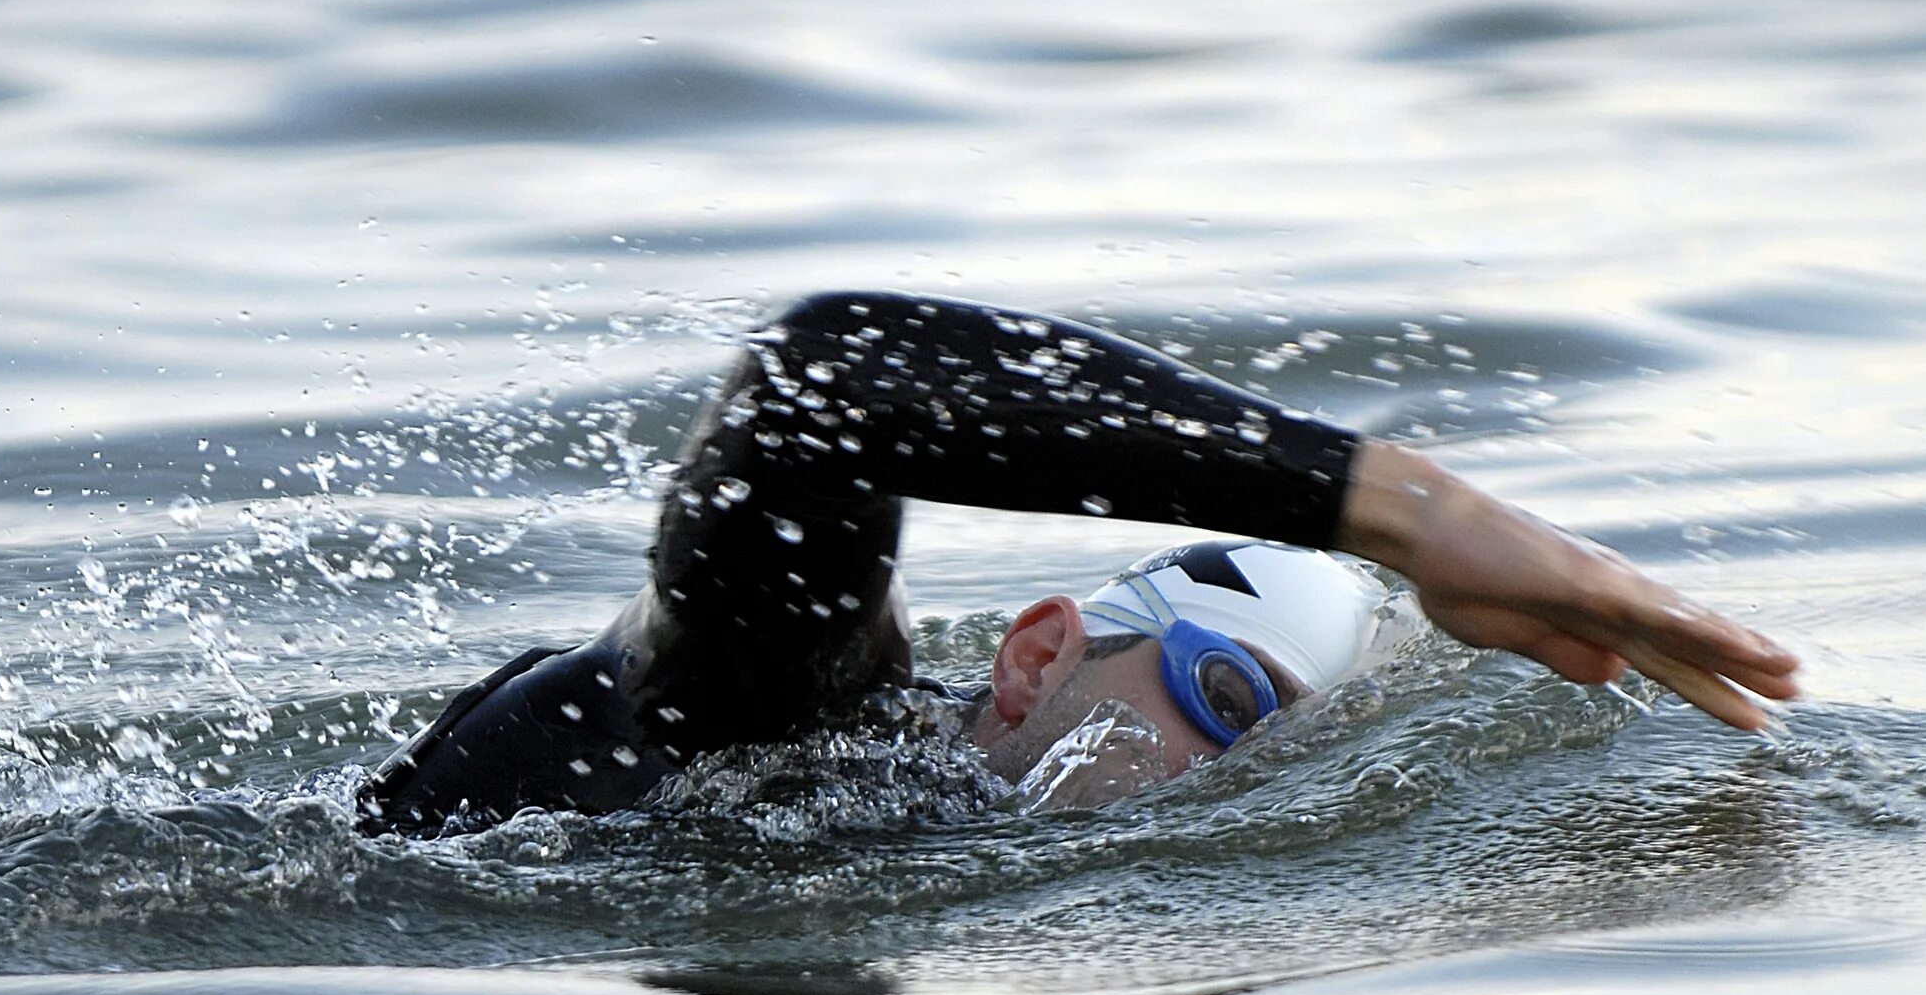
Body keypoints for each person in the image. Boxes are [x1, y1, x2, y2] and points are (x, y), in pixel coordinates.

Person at [357, 291, 1798, 834]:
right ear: (1040, 651)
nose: (1239, 775)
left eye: (1288, 752)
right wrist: (1407, 514)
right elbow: (830, 378)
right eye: (1230, 702)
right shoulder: (794, 713)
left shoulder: (904, 835)